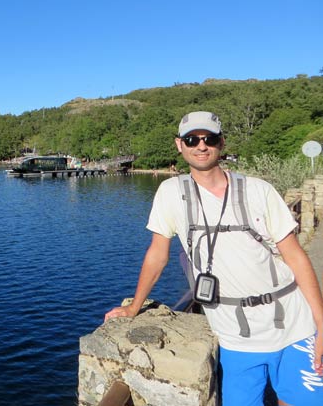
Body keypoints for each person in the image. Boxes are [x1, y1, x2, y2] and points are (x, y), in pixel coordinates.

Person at [104, 111, 323, 406]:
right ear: (179, 145)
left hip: (293, 324)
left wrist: (321, 323)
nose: (201, 146)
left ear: (222, 143)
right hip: (235, 336)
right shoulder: (171, 193)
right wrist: (134, 308)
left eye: (210, 139)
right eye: (192, 139)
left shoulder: (258, 190)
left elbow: (295, 256)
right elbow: (157, 254)